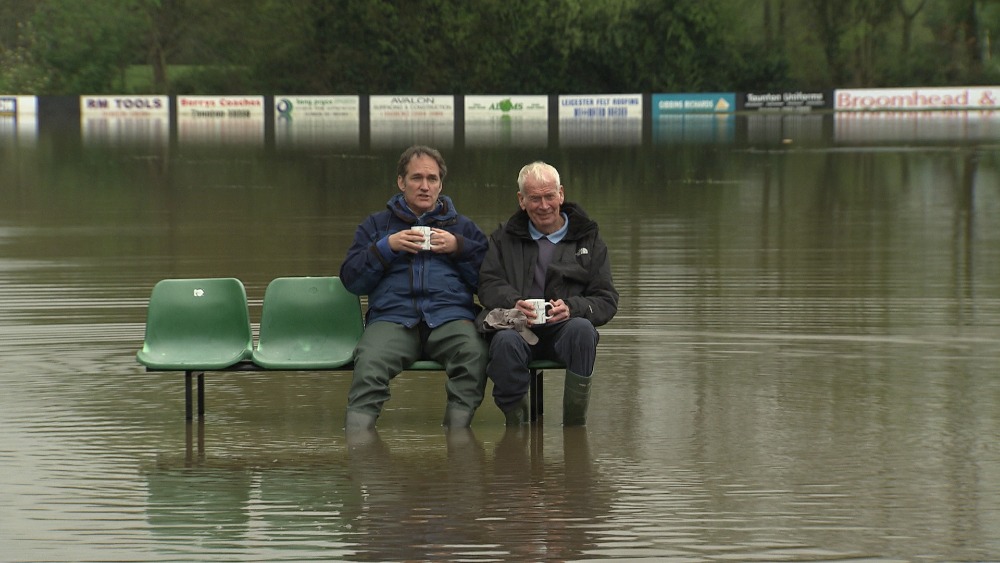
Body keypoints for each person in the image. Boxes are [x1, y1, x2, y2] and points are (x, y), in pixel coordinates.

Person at [339, 145, 489, 430]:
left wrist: (459, 248)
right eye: (416, 178)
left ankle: (457, 439)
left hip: (450, 318)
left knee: (474, 353)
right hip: (393, 319)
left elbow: (489, 284)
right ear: (401, 182)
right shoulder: (376, 225)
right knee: (369, 361)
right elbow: (351, 280)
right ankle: (358, 447)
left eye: (432, 179)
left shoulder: (463, 228)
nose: (424, 186)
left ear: (440, 185)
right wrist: (386, 248)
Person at [478, 161, 618, 426]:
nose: (543, 206)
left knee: (583, 331)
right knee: (504, 343)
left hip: (563, 330)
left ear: (561, 194)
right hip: (517, 327)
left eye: (549, 196)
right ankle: (516, 426)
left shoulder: (589, 238)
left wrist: (572, 308)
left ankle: (575, 427)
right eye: (534, 198)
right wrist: (513, 302)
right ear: (521, 200)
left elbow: (606, 299)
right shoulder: (503, 237)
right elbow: (487, 284)